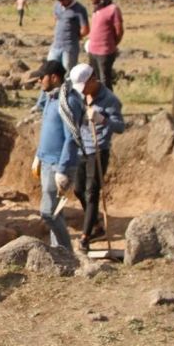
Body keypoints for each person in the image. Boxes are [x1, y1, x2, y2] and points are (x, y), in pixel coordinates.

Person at [68, 64, 125, 252]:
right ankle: (97, 225)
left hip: (98, 150)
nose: (82, 91)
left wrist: (103, 120)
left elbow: (120, 127)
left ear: (93, 79)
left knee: (92, 192)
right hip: (80, 148)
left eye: (84, 86)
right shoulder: (79, 95)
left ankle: (86, 237)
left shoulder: (110, 100)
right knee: (78, 190)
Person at [30, 60, 84, 250]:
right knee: (56, 212)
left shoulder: (69, 101)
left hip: (58, 165)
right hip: (46, 161)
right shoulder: (51, 98)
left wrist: (63, 170)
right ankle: (58, 250)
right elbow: (48, 130)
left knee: (48, 212)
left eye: (41, 77)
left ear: (54, 77)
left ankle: (66, 251)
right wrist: (39, 154)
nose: (39, 82)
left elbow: (71, 138)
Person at [85, 0, 124, 90]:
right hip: (93, 51)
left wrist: (111, 44)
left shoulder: (113, 9)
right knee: (93, 79)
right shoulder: (97, 9)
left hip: (105, 52)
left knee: (105, 80)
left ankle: (109, 104)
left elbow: (119, 31)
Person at [46, 0, 88, 71]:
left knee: (68, 71)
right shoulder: (57, 6)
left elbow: (86, 29)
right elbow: (56, 18)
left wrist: (76, 37)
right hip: (56, 45)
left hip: (69, 47)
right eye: (59, 0)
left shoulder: (79, 9)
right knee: (50, 69)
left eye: (62, 0)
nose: (60, 3)